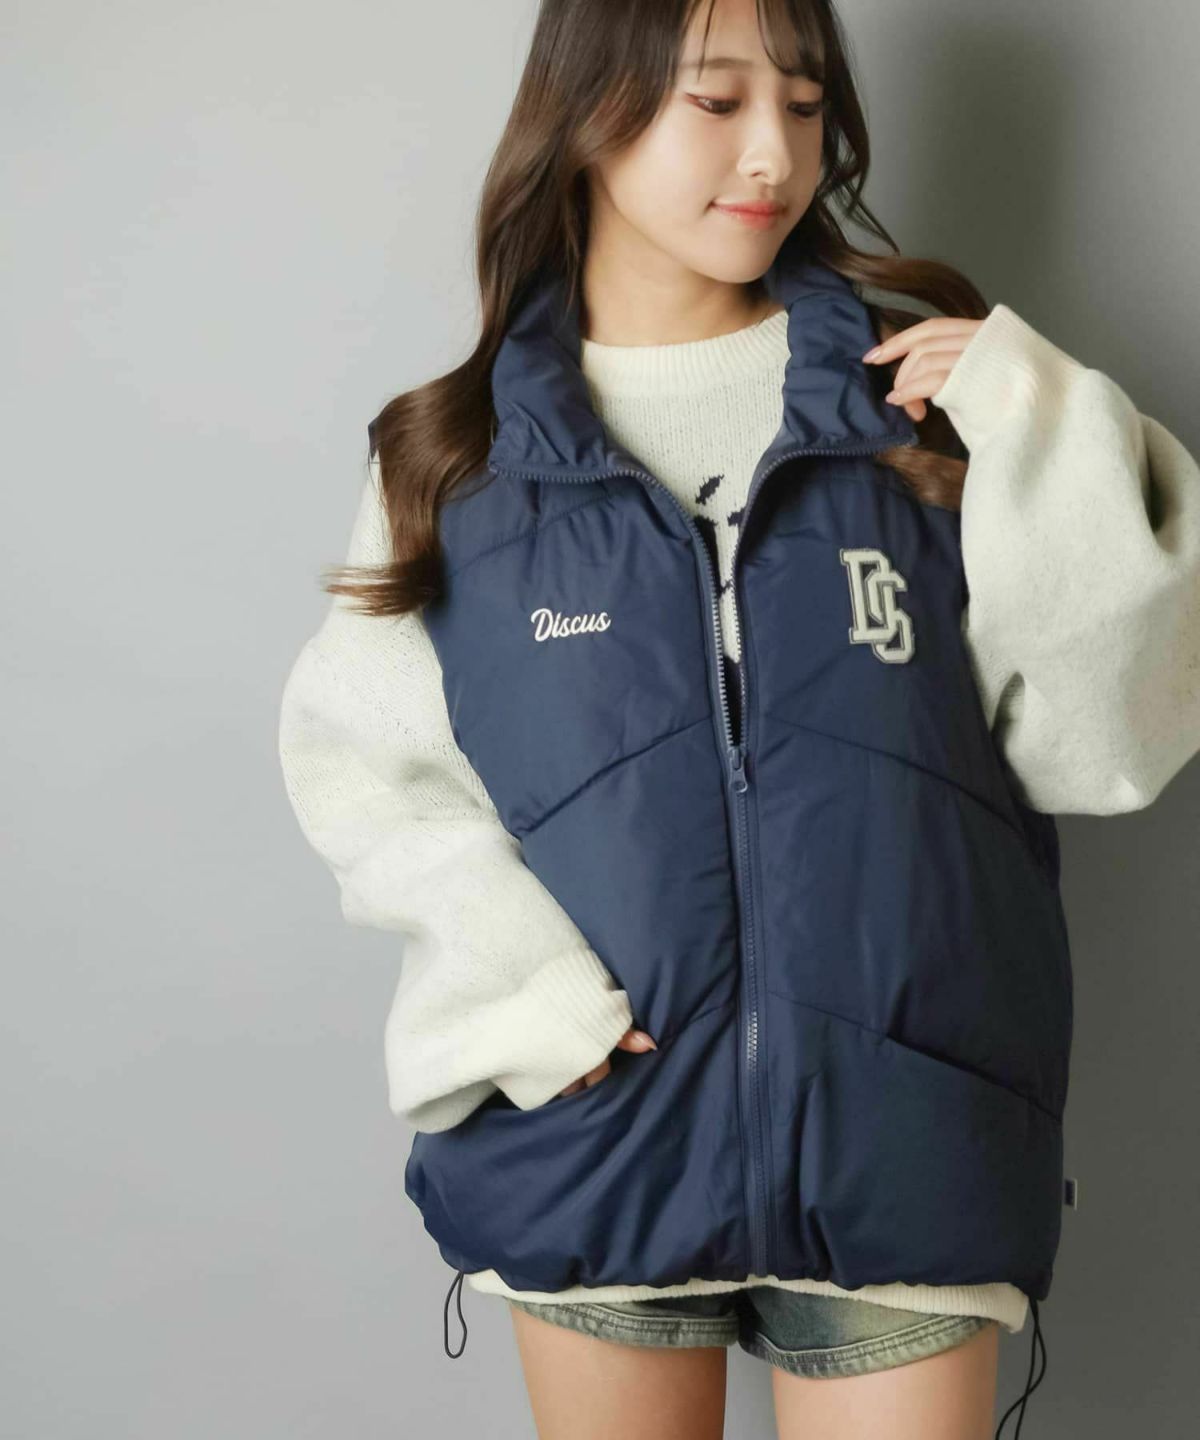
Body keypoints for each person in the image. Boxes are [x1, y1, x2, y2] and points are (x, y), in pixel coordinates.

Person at [276, 1, 1200, 1436]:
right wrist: (532, 1007)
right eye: (717, 102)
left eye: (806, 103)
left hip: (911, 1135)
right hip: (596, 1139)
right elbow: (370, 775)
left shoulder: (930, 418)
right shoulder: (460, 460)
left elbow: (1105, 741)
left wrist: (1051, 428)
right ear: (590, 111)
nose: (775, 152)